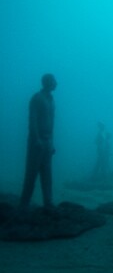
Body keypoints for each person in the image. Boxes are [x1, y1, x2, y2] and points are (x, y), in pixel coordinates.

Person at [19, 74, 57, 209]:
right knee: (31, 173)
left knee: (47, 174)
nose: (56, 83)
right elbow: (32, 120)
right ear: (46, 82)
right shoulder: (37, 98)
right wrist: (36, 140)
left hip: (47, 141)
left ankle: (48, 203)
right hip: (37, 142)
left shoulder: (51, 100)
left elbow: (51, 123)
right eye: (53, 81)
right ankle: (24, 204)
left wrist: (51, 143)